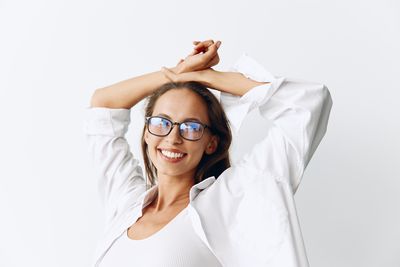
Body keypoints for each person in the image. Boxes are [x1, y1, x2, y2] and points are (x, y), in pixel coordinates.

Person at [84, 39, 332, 267]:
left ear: (211, 143)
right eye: (162, 122)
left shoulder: (230, 201)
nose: (173, 137)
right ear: (147, 132)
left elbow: (308, 104)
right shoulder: (126, 203)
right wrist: (177, 73)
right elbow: (103, 104)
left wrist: (207, 77)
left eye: (191, 127)